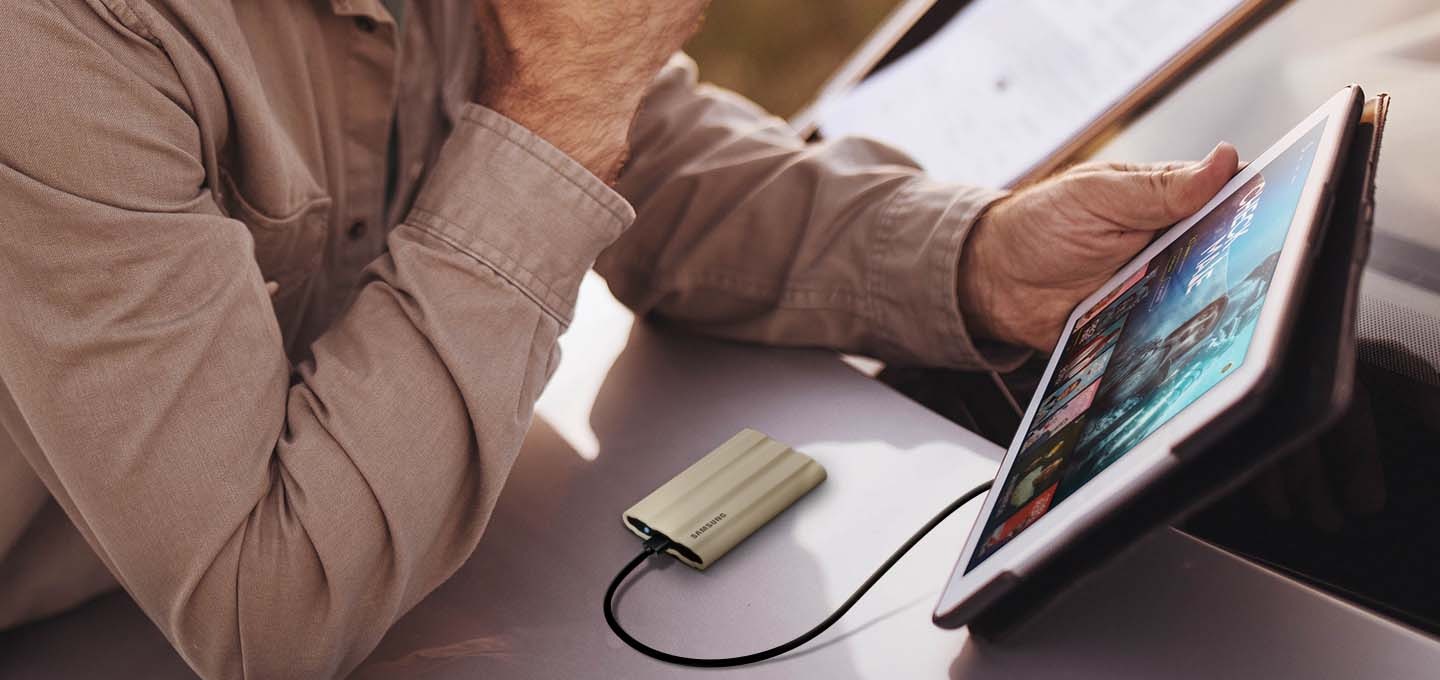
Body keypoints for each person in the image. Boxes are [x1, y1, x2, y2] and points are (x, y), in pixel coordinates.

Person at [0, 2, 1239, 678]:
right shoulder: (55, 42)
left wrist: (975, 256)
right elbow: (266, 604)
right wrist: (556, 105)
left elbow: (658, 152)